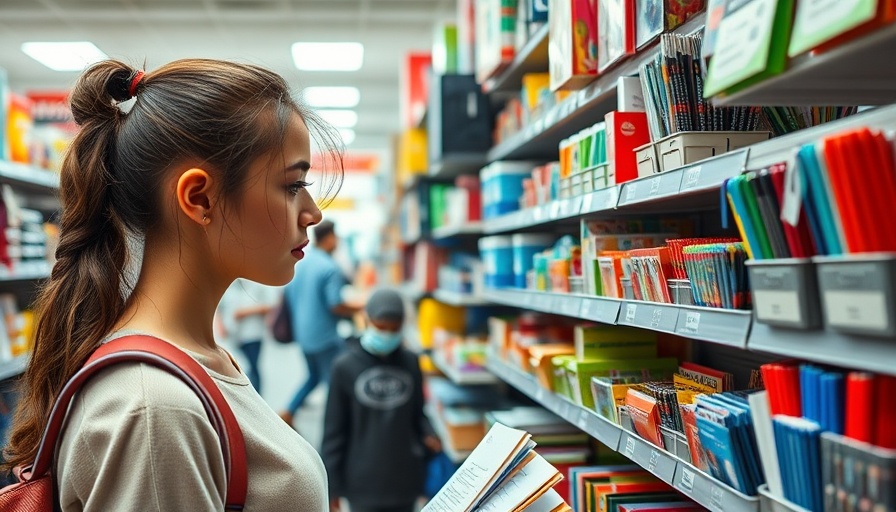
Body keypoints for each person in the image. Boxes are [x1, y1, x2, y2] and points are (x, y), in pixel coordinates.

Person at [2, 58, 343, 510]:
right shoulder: (155, 409)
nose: (313, 212)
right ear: (199, 198)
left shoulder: (194, 366)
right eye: (292, 185)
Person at [321, 288, 441, 512]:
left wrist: (429, 434)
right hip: (362, 482)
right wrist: (332, 486)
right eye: (380, 327)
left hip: (405, 479)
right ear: (367, 321)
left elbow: (418, 414)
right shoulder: (344, 367)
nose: (387, 334)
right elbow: (334, 430)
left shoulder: (411, 362)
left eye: (394, 329)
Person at [279, 220, 361, 426]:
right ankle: (340, 427)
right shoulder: (329, 267)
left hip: (303, 335)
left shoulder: (301, 263)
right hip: (325, 338)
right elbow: (335, 305)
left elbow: (289, 296)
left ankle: (288, 412)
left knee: (314, 376)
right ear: (330, 238)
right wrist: (360, 307)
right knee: (338, 382)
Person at [216, 278, 280, 392]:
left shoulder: (258, 283)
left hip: (252, 335)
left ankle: (256, 397)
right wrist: (221, 327)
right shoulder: (229, 283)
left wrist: (245, 312)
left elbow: (270, 306)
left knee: (252, 368)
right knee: (239, 368)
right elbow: (219, 306)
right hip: (233, 334)